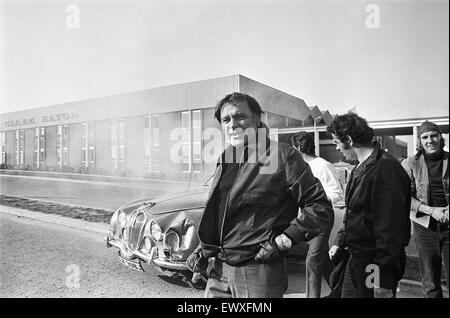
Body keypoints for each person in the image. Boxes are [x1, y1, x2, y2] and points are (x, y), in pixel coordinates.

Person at [186, 92, 334, 298]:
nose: (232, 124)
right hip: (218, 270)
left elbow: (319, 207)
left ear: (257, 118)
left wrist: (285, 241)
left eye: (240, 117)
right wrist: (202, 249)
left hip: (257, 270)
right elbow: (219, 211)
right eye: (226, 119)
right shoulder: (226, 157)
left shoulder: (282, 155)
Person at [327, 112, 411, 298]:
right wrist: (340, 242)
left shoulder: (386, 170)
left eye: (336, 142)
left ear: (348, 140)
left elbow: (390, 228)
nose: (337, 149)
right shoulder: (360, 167)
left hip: (375, 263)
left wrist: (382, 275)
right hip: (355, 258)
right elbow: (354, 213)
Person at [290, 131, 344, 298]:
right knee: (323, 260)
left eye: (293, 149)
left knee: (312, 261)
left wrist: (318, 201)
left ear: (299, 147)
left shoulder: (323, 165)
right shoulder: (298, 167)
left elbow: (337, 194)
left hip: (321, 218)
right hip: (305, 219)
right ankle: (339, 291)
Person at [401, 120, 449, 298]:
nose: (430, 140)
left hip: (449, 224)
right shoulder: (410, 163)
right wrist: (431, 211)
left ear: (440, 137)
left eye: (434, 135)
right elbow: (405, 196)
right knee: (430, 283)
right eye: (425, 137)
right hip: (424, 226)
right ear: (420, 141)